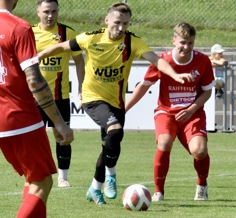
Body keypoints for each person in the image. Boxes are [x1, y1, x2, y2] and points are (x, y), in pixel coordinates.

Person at [38, 3, 193, 205]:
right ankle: (109, 177)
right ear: (107, 20)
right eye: (117, 23)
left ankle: (96, 186)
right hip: (92, 98)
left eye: (125, 23)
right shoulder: (91, 37)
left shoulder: (132, 41)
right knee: (115, 130)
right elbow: (61, 46)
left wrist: (175, 74)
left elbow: (155, 59)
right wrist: (37, 57)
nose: (121, 28)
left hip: (116, 102)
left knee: (112, 143)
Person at [124, 22, 215, 202]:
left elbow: (207, 91)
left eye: (190, 43)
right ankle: (159, 192)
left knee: (199, 150)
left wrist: (191, 110)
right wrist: (124, 109)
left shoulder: (202, 61)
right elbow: (144, 86)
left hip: (192, 114)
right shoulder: (162, 61)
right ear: (174, 40)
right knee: (164, 143)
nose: (186, 47)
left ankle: (202, 185)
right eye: (182, 42)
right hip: (166, 113)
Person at [0, 0, 74, 217]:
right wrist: (59, 122)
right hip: (19, 116)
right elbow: (34, 81)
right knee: (42, 182)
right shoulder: (18, 27)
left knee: (33, 178)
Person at [33, 0, 85, 188]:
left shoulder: (67, 33)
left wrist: (81, 88)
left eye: (54, 11)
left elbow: (79, 61)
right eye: (46, 11)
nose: (50, 15)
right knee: (35, 138)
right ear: (38, 11)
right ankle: (37, 173)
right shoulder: (29, 33)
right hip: (35, 97)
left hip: (60, 96)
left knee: (63, 136)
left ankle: (63, 177)